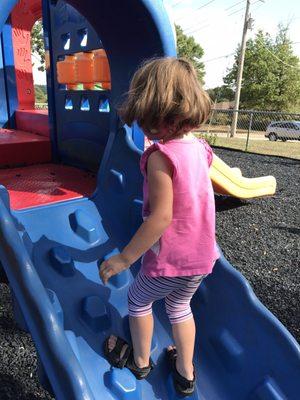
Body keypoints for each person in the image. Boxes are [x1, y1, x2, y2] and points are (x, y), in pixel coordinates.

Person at [99, 57, 219, 396]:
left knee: (138, 302)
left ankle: (139, 361)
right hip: (200, 258)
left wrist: (123, 259)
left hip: (170, 261)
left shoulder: (159, 157)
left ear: (158, 112)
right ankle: (185, 371)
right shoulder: (200, 148)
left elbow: (161, 217)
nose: (143, 126)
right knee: (180, 307)